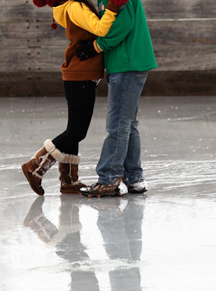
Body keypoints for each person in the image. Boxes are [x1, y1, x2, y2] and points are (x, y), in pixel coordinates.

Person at [21, 0, 129, 196]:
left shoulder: (68, 6)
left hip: (79, 74)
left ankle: (69, 181)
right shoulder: (74, 7)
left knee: (74, 129)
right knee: (77, 131)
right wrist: (113, 6)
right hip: (81, 74)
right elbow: (101, 29)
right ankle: (35, 167)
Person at [78, 0, 157, 197]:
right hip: (130, 62)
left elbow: (123, 24)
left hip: (126, 64)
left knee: (118, 124)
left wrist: (97, 46)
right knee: (129, 124)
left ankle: (109, 179)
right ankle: (134, 177)